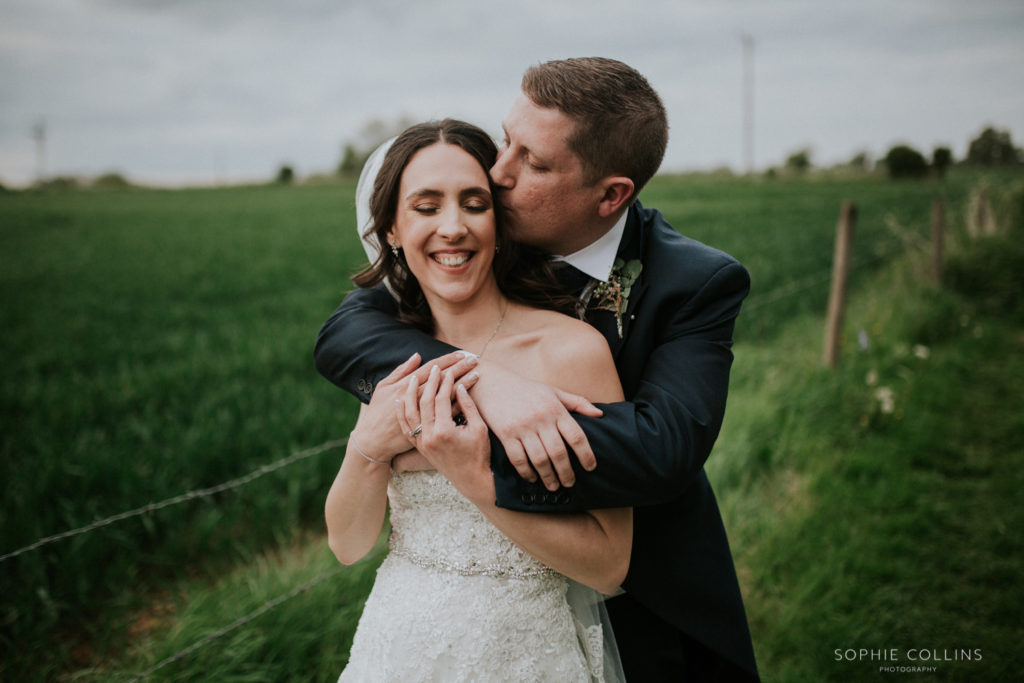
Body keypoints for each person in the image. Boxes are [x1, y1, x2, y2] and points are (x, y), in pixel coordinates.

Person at [316, 58, 760, 681]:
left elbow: (663, 450)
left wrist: (469, 457)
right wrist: (482, 383)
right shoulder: (454, 259)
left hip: (641, 590)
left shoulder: (692, 285)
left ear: (612, 195)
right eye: (506, 141)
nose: (497, 177)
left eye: (534, 161)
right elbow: (344, 332)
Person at [324, 118, 630, 681]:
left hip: (527, 656)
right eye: (425, 206)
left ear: (499, 221)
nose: (453, 227)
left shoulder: (572, 353)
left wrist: (476, 479)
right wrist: (365, 446)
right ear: (391, 228)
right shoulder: (392, 359)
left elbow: (610, 567)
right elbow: (347, 545)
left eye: (474, 203)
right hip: (396, 649)